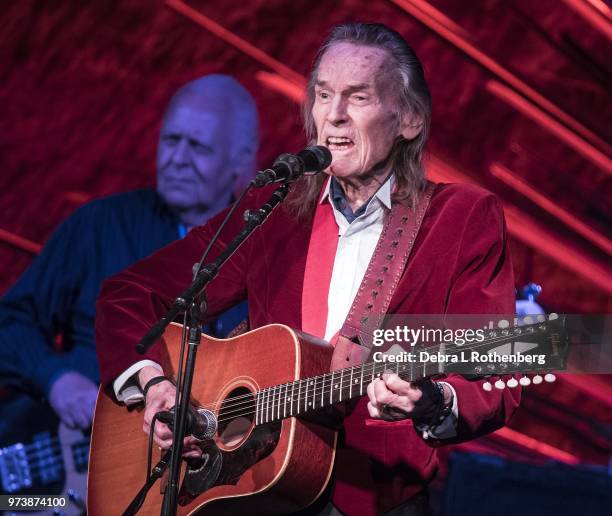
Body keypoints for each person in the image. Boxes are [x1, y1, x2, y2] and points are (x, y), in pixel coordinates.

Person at [96, 24, 520, 516]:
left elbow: (499, 374)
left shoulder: (461, 218)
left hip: (375, 498)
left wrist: (433, 400)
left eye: (357, 97)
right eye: (323, 94)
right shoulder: (273, 211)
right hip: (252, 491)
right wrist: (155, 385)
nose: (333, 115)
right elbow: (130, 293)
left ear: (409, 118)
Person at [0, 74, 259, 435]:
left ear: (241, 161)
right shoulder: (99, 224)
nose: (178, 159)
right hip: (68, 455)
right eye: (171, 140)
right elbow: (10, 321)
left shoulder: (261, 248)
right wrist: (55, 378)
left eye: (198, 147)